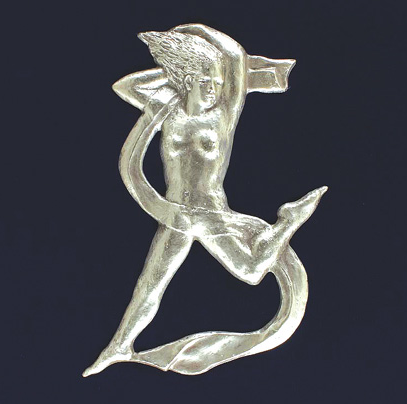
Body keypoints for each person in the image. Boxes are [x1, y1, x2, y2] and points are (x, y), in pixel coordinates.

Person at [83, 25, 326, 376]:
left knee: (251, 272)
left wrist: (196, 31)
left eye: (216, 81)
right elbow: (123, 87)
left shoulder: (224, 114)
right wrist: (177, 69)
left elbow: (235, 58)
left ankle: (289, 220)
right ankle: (118, 347)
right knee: (150, 285)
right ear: (186, 81)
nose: (214, 88)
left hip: (210, 213)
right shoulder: (166, 111)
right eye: (205, 81)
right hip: (175, 215)